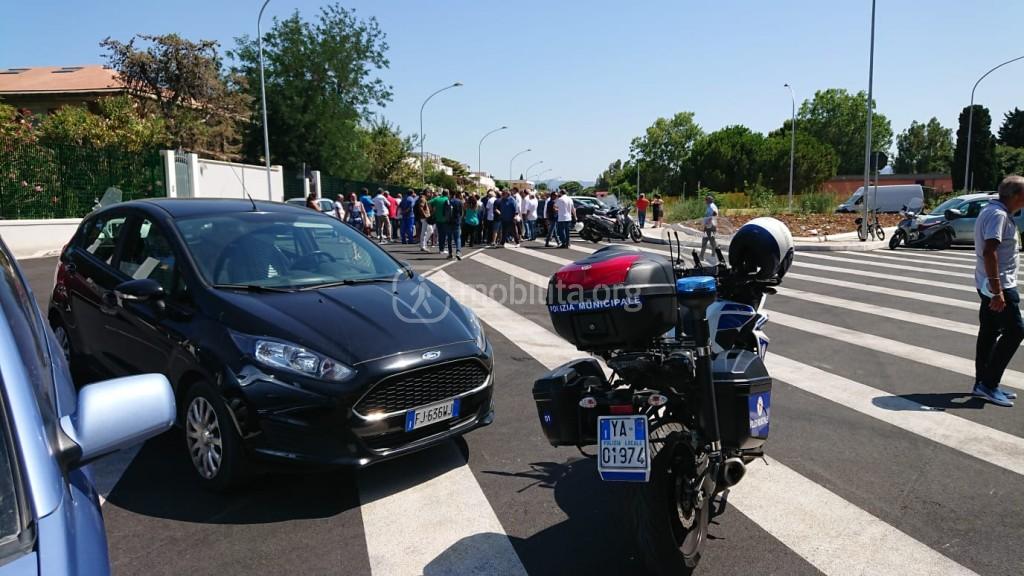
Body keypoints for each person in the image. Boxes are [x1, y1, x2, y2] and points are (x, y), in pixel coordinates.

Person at [973, 175, 1024, 407]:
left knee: (989, 332)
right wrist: (997, 290)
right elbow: (989, 251)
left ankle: (982, 384)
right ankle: (989, 384)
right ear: (1016, 195)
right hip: (999, 285)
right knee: (1016, 331)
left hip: (988, 284)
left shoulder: (993, 211)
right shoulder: (998, 215)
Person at [429, 189, 451, 254]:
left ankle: (441, 249)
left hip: (437, 219)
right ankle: (442, 249)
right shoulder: (447, 199)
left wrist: (432, 211)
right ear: (448, 194)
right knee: (443, 235)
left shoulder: (437, 199)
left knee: (440, 234)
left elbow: (428, 202)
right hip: (445, 220)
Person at [444, 191, 465, 260]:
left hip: (448, 222)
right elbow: (461, 212)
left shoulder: (447, 202)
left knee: (449, 238)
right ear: (455, 195)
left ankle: (450, 253)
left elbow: (444, 212)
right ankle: (458, 252)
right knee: (457, 238)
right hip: (457, 221)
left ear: (450, 195)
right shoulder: (459, 202)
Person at [700, 194, 719, 261]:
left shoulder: (711, 206)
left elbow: (715, 214)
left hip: (709, 228)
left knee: (705, 241)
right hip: (711, 227)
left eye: (705, 200)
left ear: (707, 201)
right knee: (712, 241)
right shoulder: (712, 206)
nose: (705, 202)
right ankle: (713, 255)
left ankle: (701, 256)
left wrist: (709, 220)